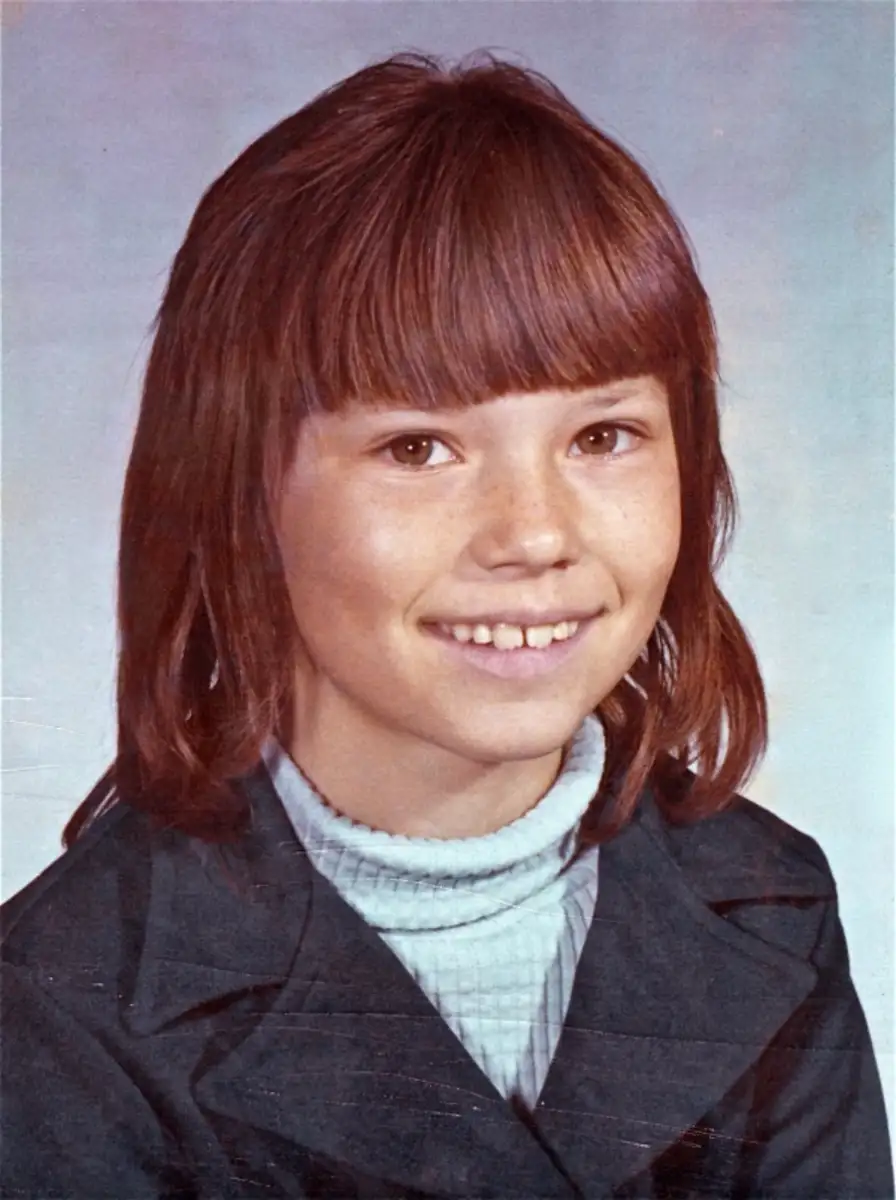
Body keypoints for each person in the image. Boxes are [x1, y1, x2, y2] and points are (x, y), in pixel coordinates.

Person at [1, 50, 891, 1200]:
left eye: (602, 437)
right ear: (240, 496)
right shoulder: (65, 1006)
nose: (534, 534)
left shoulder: (767, 906)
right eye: (417, 448)